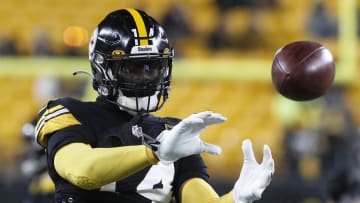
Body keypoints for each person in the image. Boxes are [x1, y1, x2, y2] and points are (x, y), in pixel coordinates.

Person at [34, 8, 274, 203]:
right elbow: (84, 171)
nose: (145, 77)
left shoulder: (173, 132)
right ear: (101, 67)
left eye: (152, 67)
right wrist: (154, 151)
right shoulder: (71, 113)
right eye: (132, 68)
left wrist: (237, 198)